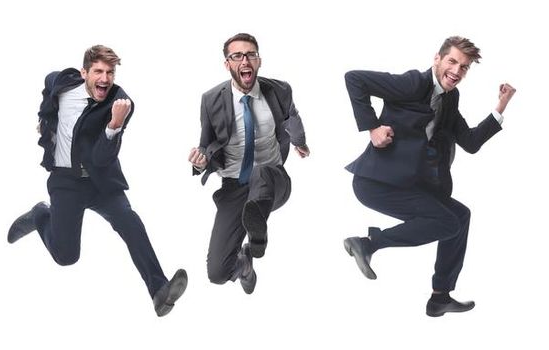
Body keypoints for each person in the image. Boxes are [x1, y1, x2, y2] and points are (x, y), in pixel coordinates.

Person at [6, 45, 188, 317]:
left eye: (110, 73)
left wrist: (114, 125)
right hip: (66, 182)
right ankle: (40, 214)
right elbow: (48, 84)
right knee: (66, 257)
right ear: (84, 73)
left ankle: (159, 290)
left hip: (101, 181)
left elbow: (102, 157)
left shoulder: (121, 104)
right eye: (98, 72)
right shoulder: (63, 81)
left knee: (130, 221)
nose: (104, 79)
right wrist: (46, 120)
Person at [340, 36, 515, 317]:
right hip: (375, 183)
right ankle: (368, 244)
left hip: (409, 184)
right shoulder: (412, 84)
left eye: (464, 67)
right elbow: (354, 79)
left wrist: (501, 106)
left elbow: (469, 142)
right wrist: (372, 128)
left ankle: (440, 297)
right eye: (452, 61)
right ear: (437, 59)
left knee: (460, 216)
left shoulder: (449, 98)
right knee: (447, 221)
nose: (457, 71)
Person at [188, 33, 310, 294]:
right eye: (237, 56)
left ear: (259, 60)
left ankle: (257, 236)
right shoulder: (211, 100)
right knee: (217, 274)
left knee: (261, 171)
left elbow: (292, 118)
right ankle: (245, 264)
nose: (245, 60)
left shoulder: (279, 90)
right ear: (227, 64)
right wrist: (200, 162)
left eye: (251, 55)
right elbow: (206, 144)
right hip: (233, 186)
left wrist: (300, 141)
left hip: (273, 180)